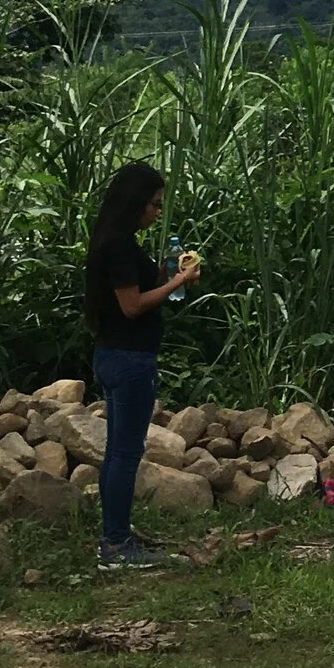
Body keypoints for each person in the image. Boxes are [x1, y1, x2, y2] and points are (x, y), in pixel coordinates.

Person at [83, 162, 201, 569]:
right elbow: (131, 305)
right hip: (129, 360)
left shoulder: (115, 242)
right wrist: (176, 285)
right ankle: (115, 545)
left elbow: (141, 285)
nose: (156, 212)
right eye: (153, 204)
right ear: (134, 202)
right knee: (124, 453)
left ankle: (115, 535)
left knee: (118, 452)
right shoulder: (118, 245)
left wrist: (172, 271)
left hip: (113, 355)